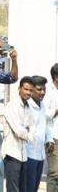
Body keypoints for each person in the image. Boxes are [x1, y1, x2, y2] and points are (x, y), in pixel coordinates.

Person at [1, 76, 36, 192]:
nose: (28, 93)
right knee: (13, 189)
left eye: (31, 90)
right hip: (12, 154)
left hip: (23, 155)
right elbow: (18, 131)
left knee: (22, 189)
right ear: (19, 89)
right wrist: (26, 131)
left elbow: (33, 129)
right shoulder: (12, 106)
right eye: (26, 89)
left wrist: (26, 132)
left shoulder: (29, 108)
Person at [26, 75, 54, 192]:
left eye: (44, 89)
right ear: (32, 90)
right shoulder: (27, 105)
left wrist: (49, 139)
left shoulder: (42, 105)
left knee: (34, 188)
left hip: (40, 154)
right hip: (28, 154)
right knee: (28, 187)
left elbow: (46, 124)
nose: (42, 92)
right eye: (39, 89)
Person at [45, 63, 58, 191]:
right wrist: (56, 111)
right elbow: (43, 114)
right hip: (54, 137)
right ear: (56, 77)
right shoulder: (48, 91)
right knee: (54, 173)